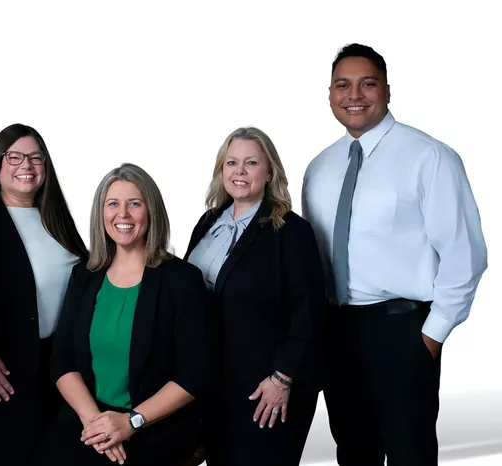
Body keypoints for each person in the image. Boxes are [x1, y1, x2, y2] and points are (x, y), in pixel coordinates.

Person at [302, 43, 488, 465]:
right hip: (336, 331)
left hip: (402, 329)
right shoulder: (319, 167)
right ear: (329, 94)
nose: (354, 95)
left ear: (387, 90)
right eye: (342, 85)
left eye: (367, 84)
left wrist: (431, 336)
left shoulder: (429, 156)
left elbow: (464, 254)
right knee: (354, 452)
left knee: (410, 453)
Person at [44, 163, 213, 466]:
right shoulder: (85, 276)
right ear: (101, 213)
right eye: (113, 204)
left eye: (134, 203)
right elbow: (62, 360)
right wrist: (97, 425)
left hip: (154, 427)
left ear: (151, 211)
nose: (122, 214)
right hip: (89, 421)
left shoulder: (181, 280)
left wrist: (129, 422)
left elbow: (195, 373)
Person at [184, 127, 325, 465]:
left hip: (266, 388)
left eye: (251, 163)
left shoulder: (291, 231)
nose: (240, 171)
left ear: (269, 172)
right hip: (214, 384)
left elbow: (310, 313)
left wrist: (282, 377)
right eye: (231, 162)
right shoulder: (208, 222)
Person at [0, 123, 88, 465]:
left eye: (35, 157)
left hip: (58, 369)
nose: (26, 166)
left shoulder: (56, 217)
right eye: (14, 156)